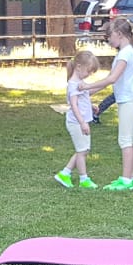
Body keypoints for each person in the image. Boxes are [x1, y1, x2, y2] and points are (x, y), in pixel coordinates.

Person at [78, 18, 133, 190]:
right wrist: (91, 91)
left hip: (129, 100)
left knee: (125, 140)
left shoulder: (125, 53)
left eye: (110, 35)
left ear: (119, 34)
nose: (108, 39)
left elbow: (112, 78)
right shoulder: (127, 51)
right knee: (131, 138)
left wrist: (87, 86)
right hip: (129, 98)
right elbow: (114, 81)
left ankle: (126, 180)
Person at [56, 50, 100, 189]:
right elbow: (74, 104)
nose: (89, 74)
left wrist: (90, 106)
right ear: (79, 67)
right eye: (88, 71)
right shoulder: (73, 85)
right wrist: (82, 123)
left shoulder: (80, 82)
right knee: (82, 151)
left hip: (81, 122)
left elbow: (83, 98)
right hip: (76, 123)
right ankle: (83, 179)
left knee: (84, 150)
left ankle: (65, 173)